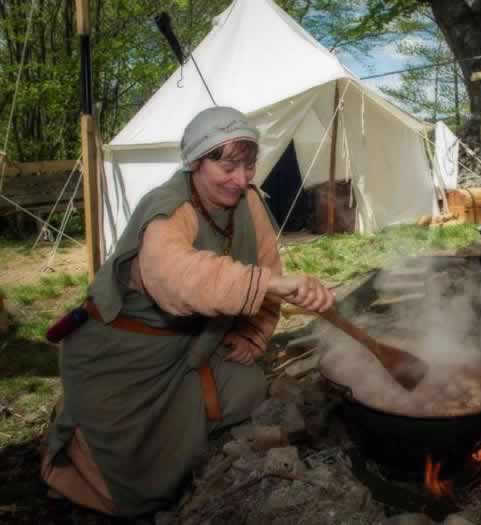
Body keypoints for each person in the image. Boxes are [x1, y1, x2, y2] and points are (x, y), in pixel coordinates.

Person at [40, 107, 334, 517]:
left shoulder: (250, 204)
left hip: (193, 344)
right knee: (127, 461)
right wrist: (266, 284)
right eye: (227, 165)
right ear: (196, 162)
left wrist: (255, 333)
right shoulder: (167, 208)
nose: (242, 178)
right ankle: (89, 477)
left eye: (248, 165)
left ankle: (190, 457)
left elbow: (269, 266)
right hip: (123, 353)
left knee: (248, 386)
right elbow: (175, 279)